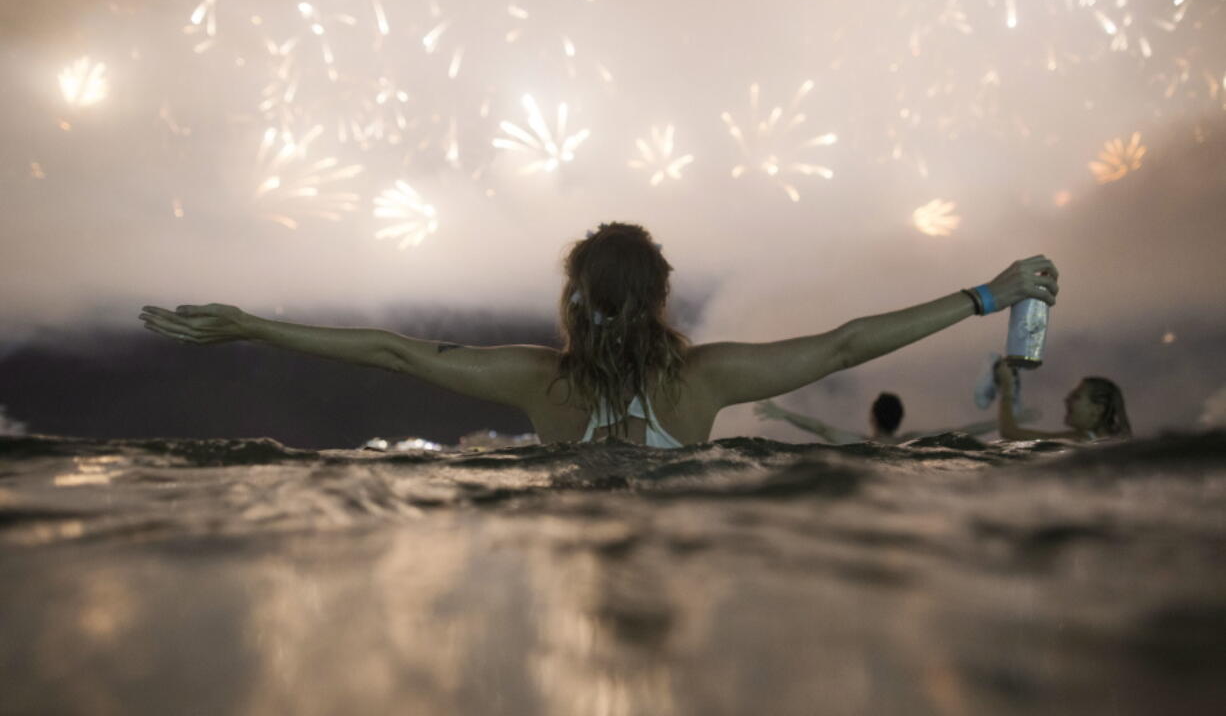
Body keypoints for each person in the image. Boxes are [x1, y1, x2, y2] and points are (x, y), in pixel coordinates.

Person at [139, 222, 1058, 448]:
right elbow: (849, 344)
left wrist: (250, 326)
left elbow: (389, 349)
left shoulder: (539, 383)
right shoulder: (704, 380)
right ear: (660, 296)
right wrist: (987, 294)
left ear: (573, 301)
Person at [754, 391, 1031, 445]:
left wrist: (783, 413)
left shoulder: (857, 443)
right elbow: (966, 430)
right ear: (900, 419)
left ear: (871, 416)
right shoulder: (912, 441)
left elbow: (821, 429)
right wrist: (1006, 420)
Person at [994, 362, 1130, 441]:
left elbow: (1009, 432)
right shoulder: (1115, 440)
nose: (1066, 400)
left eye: (1076, 397)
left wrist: (1006, 387)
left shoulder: (1082, 438)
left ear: (1098, 409)